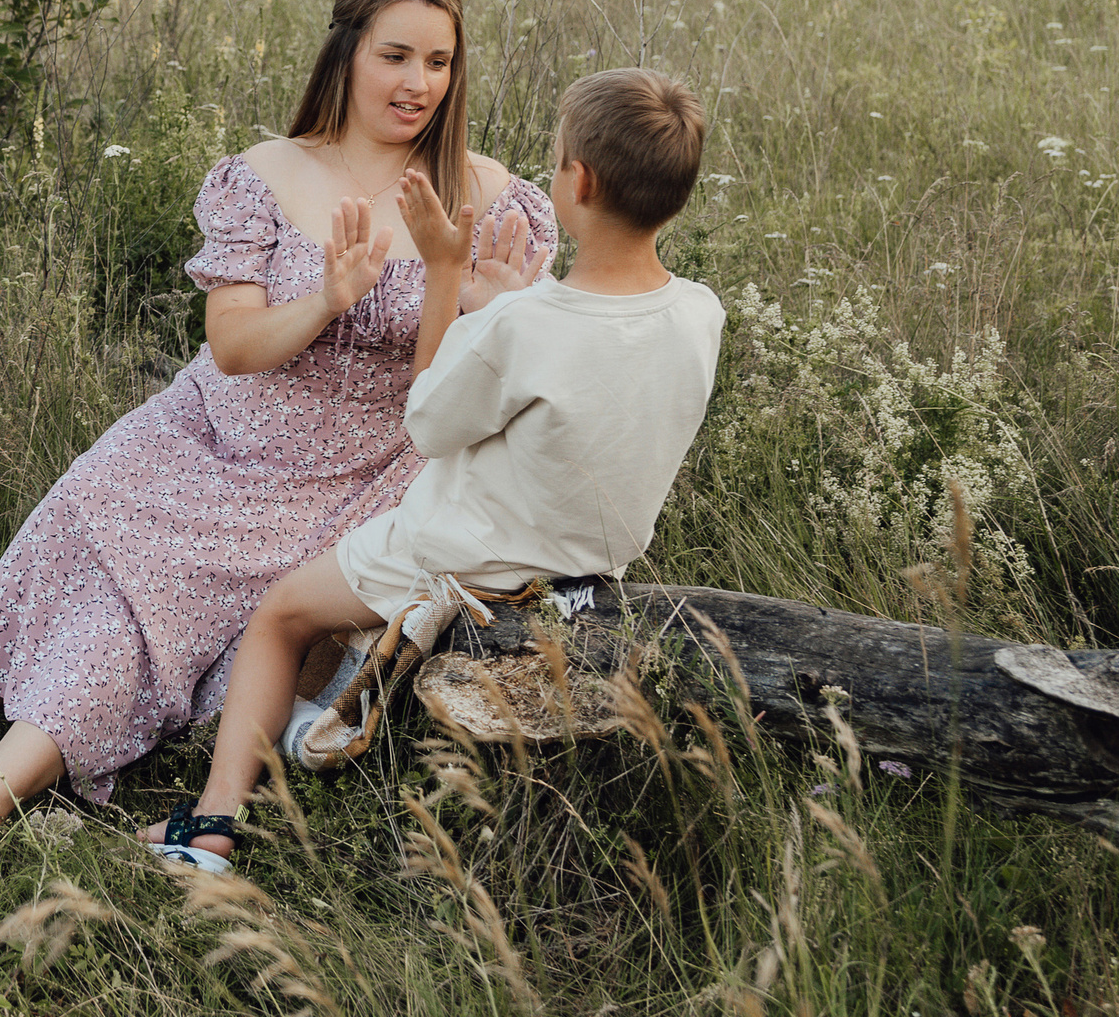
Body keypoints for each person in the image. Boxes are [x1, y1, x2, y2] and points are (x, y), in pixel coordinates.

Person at [0, 0, 555, 861]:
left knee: (150, 599)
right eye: (396, 57)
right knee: (76, 514)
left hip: (355, 465)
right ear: (347, 54)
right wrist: (325, 297)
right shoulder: (266, 175)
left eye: (438, 62)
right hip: (214, 425)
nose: (418, 84)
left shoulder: (490, 196)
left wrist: (489, 303)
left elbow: (451, 392)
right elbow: (234, 348)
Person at [140, 67, 725, 870]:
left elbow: (429, 421)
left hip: (466, 554)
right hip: (595, 557)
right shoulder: (700, 312)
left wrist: (469, 296)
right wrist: (504, 309)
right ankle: (312, 738)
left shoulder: (528, 321)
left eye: (556, 162)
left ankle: (210, 825)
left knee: (280, 616)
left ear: (577, 182)